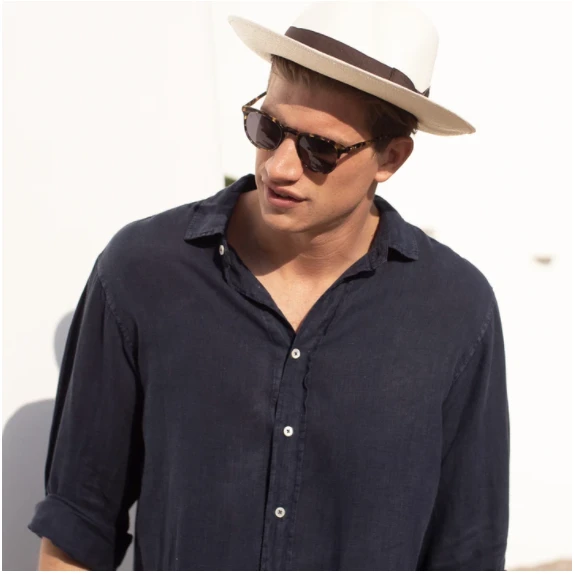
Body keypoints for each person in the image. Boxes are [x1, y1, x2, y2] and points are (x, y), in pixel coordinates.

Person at [28, 2, 510, 570]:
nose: (279, 167)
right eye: (269, 129)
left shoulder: (455, 308)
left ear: (392, 158)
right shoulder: (143, 270)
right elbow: (78, 525)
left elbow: (467, 550)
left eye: (321, 149)